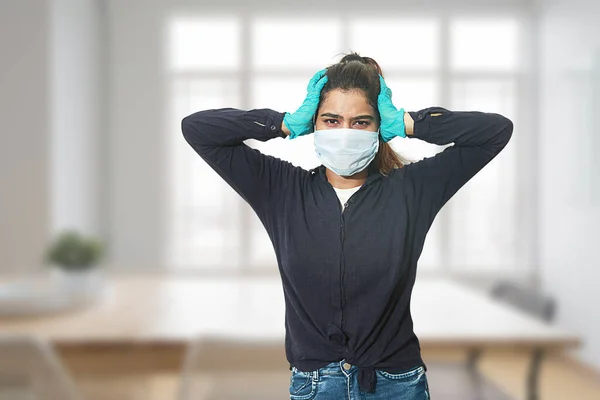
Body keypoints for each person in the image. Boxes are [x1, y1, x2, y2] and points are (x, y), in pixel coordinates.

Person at [181, 52, 513, 399]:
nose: (344, 133)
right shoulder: (280, 190)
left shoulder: (413, 190)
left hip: (395, 383)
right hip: (314, 385)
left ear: (378, 127)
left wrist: (408, 122)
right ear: (315, 124)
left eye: (360, 122)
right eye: (331, 120)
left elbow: (496, 131)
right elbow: (197, 129)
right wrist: (283, 123)